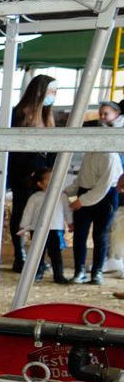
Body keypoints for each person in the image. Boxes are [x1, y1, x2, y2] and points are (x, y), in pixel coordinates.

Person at [7, 75, 57, 273]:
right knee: (21, 212)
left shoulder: (48, 116)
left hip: (43, 174)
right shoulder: (20, 114)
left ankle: (38, 257)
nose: (53, 96)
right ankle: (20, 256)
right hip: (24, 174)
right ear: (40, 91)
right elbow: (16, 147)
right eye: (51, 91)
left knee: (41, 215)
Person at [71, 111, 122, 283]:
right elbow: (82, 178)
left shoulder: (109, 156)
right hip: (86, 194)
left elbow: (104, 186)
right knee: (79, 234)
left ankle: (97, 272)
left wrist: (82, 200)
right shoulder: (89, 153)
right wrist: (67, 191)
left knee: (100, 235)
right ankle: (79, 271)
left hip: (105, 197)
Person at [19, 165, 71, 284]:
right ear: (40, 184)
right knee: (37, 254)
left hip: (56, 229)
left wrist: (70, 222)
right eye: (48, 180)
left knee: (56, 253)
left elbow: (67, 211)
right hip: (38, 229)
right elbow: (28, 213)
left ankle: (59, 275)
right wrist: (23, 226)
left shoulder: (62, 196)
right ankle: (37, 273)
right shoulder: (35, 197)